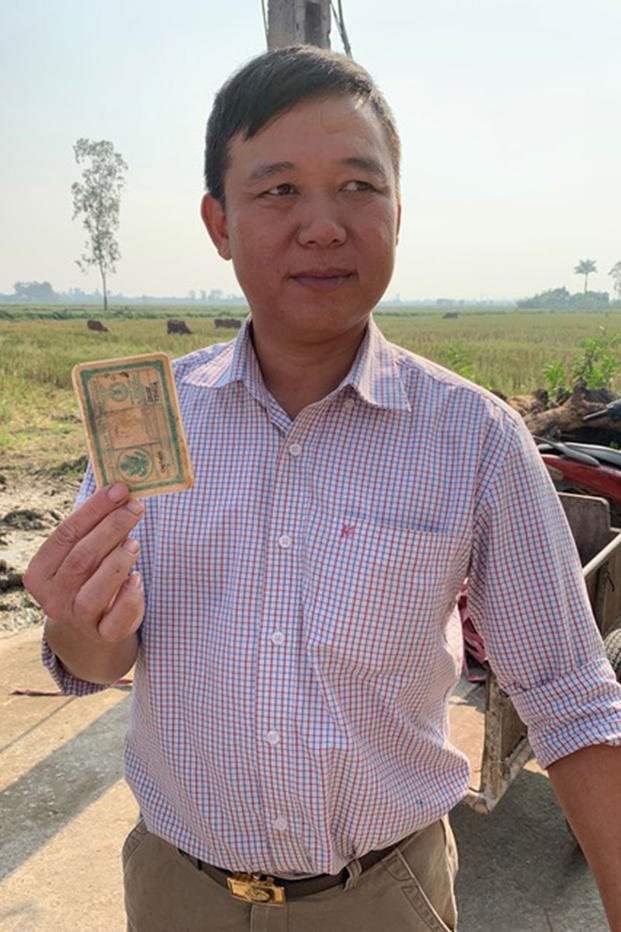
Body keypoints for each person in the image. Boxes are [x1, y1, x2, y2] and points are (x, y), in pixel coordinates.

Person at [25, 46, 621, 931]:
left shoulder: (473, 440)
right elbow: (99, 659)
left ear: (396, 211)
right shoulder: (149, 425)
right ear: (218, 223)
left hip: (382, 896)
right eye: (277, 191)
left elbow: (569, 697)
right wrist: (78, 628)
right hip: (174, 890)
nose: (323, 225)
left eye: (356, 187)